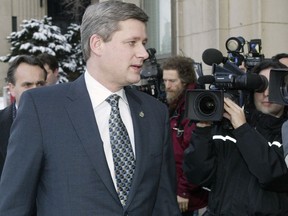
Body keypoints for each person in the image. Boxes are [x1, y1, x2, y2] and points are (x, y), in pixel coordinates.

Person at [0, 1, 181, 215]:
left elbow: (165, 202)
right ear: (97, 44)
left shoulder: (154, 112)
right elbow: (15, 204)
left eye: (144, 42)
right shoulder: (42, 108)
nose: (143, 53)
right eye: (132, 42)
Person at [183, 60, 288, 215]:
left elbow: (274, 177)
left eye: (273, 86)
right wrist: (202, 130)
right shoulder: (226, 126)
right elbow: (198, 176)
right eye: (261, 86)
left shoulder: (284, 132)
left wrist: (243, 129)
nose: (266, 94)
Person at [162, 56, 208, 216]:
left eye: (172, 81)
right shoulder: (176, 103)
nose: (167, 86)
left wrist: (183, 192)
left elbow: (195, 156)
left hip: (188, 198)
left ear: (185, 81)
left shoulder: (193, 107)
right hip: (175, 192)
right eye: (165, 80)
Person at [0, 55, 47, 176]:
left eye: (40, 84)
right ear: (12, 89)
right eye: (27, 85)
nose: (36, 90)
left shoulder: (63, 121)